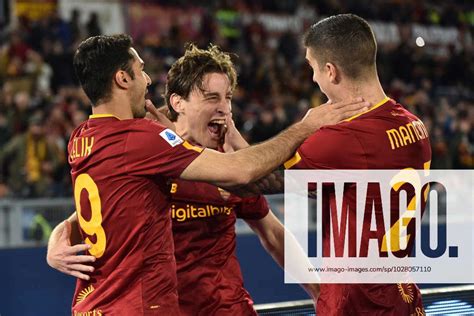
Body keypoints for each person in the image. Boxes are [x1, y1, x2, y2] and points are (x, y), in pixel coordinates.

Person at [52, 34, 367, 315]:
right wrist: (57, 238)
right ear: (178, 102)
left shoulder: (108, 139)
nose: (224, 109)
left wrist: (321, 294)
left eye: (228, 98)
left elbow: (273, 232)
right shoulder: (150, 146)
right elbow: (97, 209)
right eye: (212, 98)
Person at [283, 14, 431, 315]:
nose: (313, 79)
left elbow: (257, 177)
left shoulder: (346, 139)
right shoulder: (416, 126)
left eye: (313, 68)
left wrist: (303, 127)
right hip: (405, 297)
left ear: (331, 71)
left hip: (360, 305)